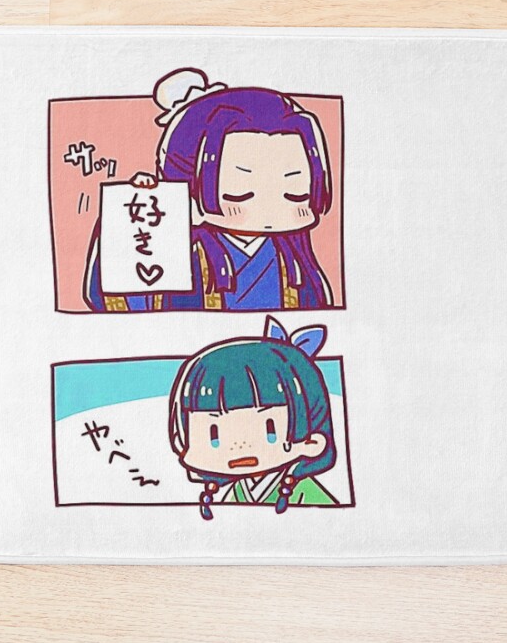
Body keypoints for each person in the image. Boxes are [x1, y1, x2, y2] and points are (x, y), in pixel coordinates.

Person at [84, 68, 334, 311]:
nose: (268, 205)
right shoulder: (183, 249)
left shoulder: (293, 261)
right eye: (242, 192)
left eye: (294, 193)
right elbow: (118, 302)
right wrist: (134, 219)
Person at [168, 316, 339, 520]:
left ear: (311, 441)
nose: (239, 446)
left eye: (270, 430)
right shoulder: (236, 490)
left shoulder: (306, 493)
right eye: (214, 436)